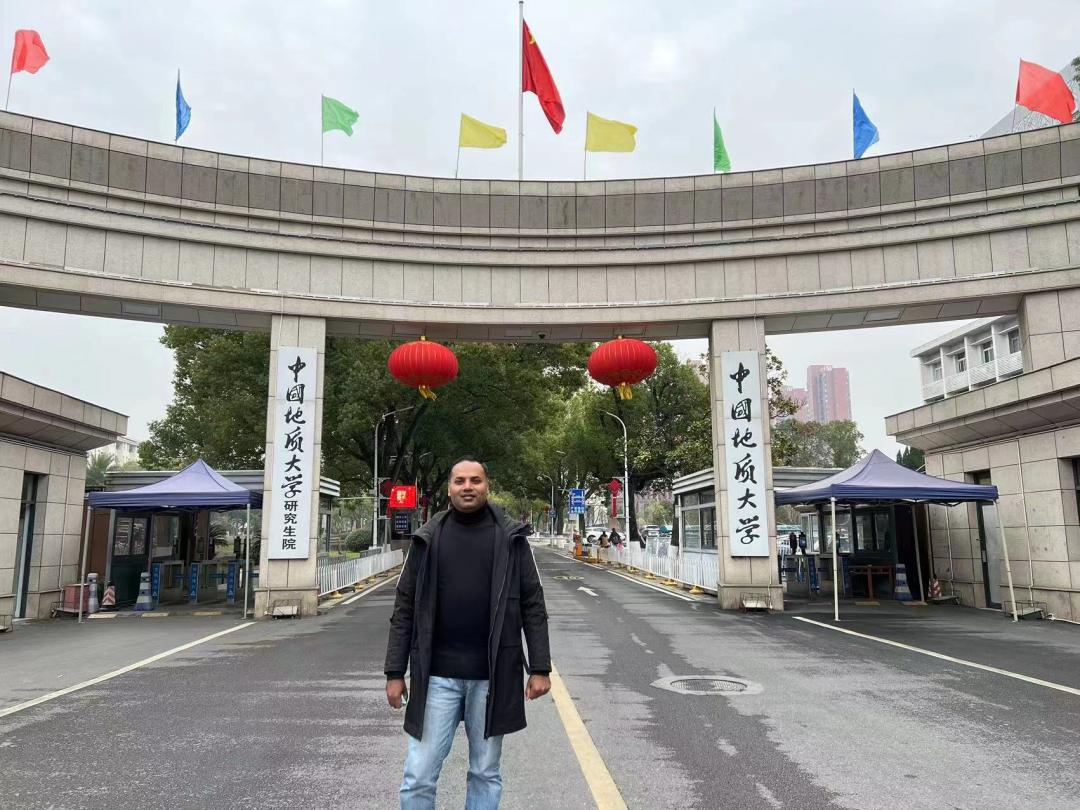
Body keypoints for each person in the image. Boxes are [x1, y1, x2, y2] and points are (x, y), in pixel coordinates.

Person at [385, 457, 551, 810]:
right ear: (449, 489)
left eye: (475, 480)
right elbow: (404, 607)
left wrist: (540, 667)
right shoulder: (428, 538)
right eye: (460, 481)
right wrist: (394, 672)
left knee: (484, 773)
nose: (468, 487)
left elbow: (533, 604)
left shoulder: (511, 539)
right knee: (418, 775)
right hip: (436, 677)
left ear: (487, 486)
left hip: (492, 677)